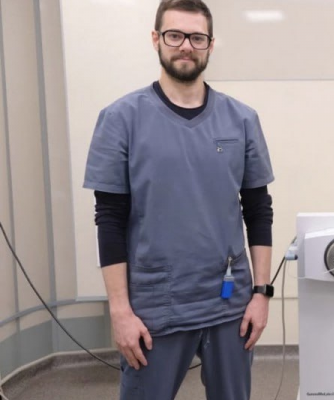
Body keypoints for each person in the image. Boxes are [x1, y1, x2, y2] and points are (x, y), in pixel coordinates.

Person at [83, 1, 275, 399]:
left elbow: (259, 211)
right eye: (175, 35)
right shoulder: (121, 119)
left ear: (210, 45)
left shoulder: (241, 120)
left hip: (229, 303)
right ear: (156, 39)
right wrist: (120, 311)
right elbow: (110, 220)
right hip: (155, 305)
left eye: (197, 37)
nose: (186, 45)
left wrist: (261, 294)